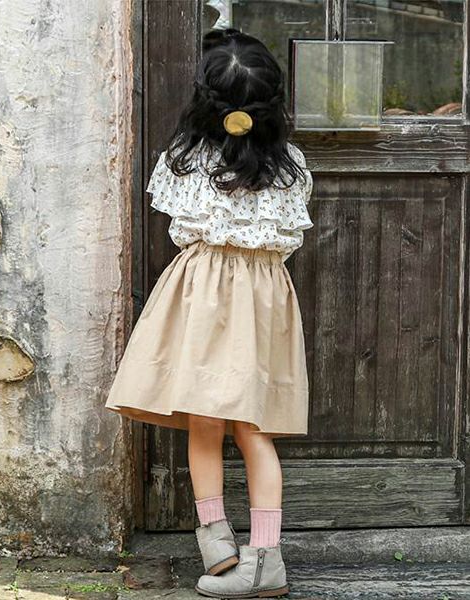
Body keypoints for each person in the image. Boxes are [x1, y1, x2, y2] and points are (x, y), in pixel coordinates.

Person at [105, 28, 314, 599]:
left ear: (204, 99)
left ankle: (218, 540)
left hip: (200, 292)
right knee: (252, 429)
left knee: (205, 419)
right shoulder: (290, 166)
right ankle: (260, 556)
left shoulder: (185, 160)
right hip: (264, 297)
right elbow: (286, 242)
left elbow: (180, 229)